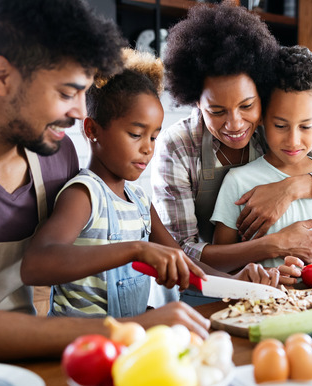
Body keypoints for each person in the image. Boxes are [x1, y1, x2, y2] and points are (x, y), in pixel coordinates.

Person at [0, 0, 206, 372]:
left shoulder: (55, 157)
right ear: (1, 76)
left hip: (24, 369)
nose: (79, 111)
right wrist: (125, 329)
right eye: (66, 93)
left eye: (83, 93)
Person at [20, 49, 279, 318]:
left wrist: (236, 282)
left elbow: (184, 262)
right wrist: (136, 249)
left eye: (154, 137)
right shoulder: (84, 195)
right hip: (79, 345)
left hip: (126, 342)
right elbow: (36, 265)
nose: (148, 149)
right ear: (92, 130)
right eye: (135, 134)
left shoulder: (139, 201)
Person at [154, 3, 312, 279]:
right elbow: (181, 252)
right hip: (196, 290)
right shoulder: (178, 146)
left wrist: (288, 189)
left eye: (247, 105)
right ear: (195, 101)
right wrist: (273, 245)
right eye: (216, 111)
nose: (236, 124)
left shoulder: (279, 130)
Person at [211, 46, 312, 283]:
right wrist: (258, 275)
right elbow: (219, 262)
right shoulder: (238, 181)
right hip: (259, 306)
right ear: (262, 115)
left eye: (305, 126)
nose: (293, 140)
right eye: (281, 126)